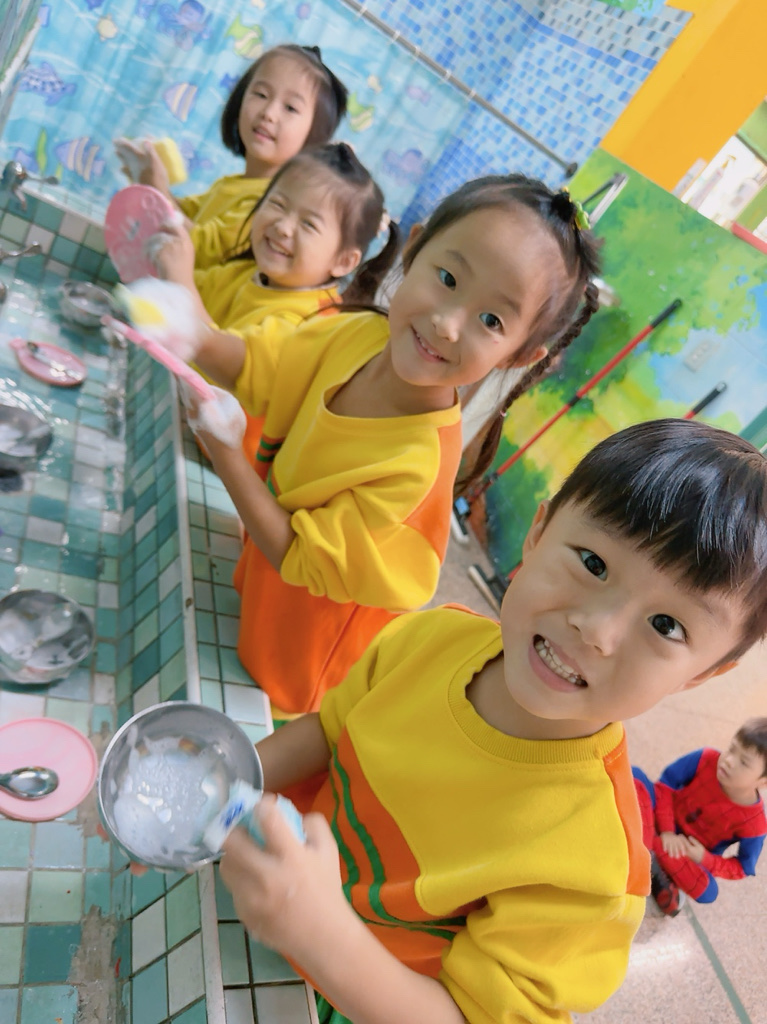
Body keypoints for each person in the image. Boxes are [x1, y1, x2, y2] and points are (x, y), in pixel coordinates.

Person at [217, 419, 767, 1024]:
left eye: (667, 625)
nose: (597, 630)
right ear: (538, 532)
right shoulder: (433, 637)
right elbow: (328, 732)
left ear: (702, 674)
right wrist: (220, 785)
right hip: (270, 892)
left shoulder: (593, 871)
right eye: (593, 562)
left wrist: (316, 932)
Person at [144, 174, 602, 719]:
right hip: (255, 579)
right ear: (414, 249)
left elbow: (296, 553)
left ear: (519, 356)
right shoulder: (353, 334)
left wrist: (225, 451)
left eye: (491, 320)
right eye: (448, 277)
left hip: (296, 665)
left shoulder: (416, 468)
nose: (447, 323)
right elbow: (262, 366)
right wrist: (195, 334)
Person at [149, 141, 399, 464]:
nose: (283, 227)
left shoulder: (312, 323)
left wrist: (178, 278)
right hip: (186, 420)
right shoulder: (248, 273)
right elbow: (188, 293)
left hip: (221, 463)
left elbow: (229, 363)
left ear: (343, 261)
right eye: (278, 204)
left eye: (308, 224)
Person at [115, 44, 348, 268]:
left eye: (290, 108)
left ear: (314, 135)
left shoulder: (271, 206)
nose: (269, 113)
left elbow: (199, 251)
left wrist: (156, 187)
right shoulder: (231, 184)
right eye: (261, 94)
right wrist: (147, 179)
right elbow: (184, 215)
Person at [633, 717, 767, 917]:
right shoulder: (705, 758)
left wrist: (703, 858)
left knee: (708, 892)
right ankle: (653, 860)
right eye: (731, 749)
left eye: (744, 762)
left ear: (763, 781)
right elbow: (665, 785)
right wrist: (668, 831)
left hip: (684, 853)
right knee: (634, 776)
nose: (729, 761)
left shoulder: (756, 825)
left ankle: (643, 848)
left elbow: (742, 868)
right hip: (660, 818)